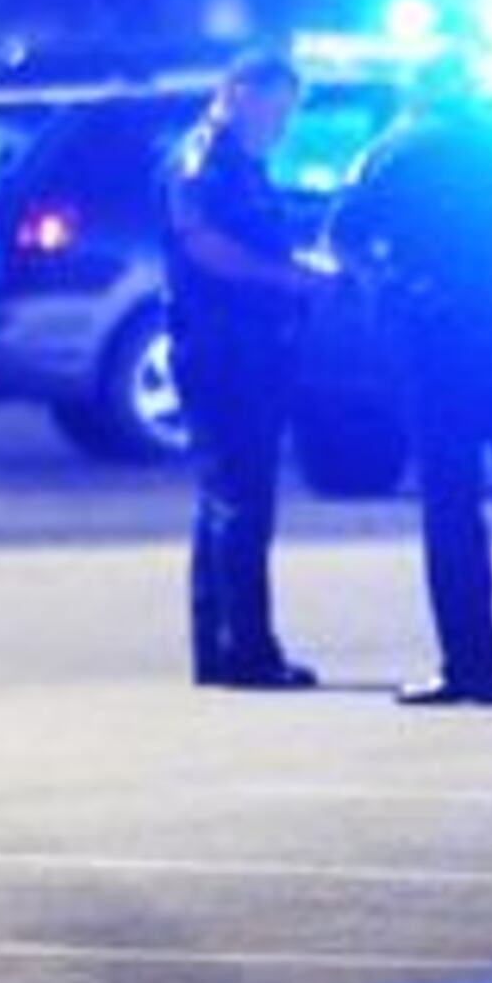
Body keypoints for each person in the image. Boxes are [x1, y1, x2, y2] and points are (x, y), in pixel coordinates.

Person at [332, 57, 492, 706]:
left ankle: (473, 666)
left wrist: (393, 287)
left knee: (452, 507)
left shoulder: (392, 150)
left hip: (437, 343)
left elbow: (345, 238)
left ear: (418, 90)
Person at [163, 49, 334, 690]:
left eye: (287, 113)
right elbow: (204, 246)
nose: (280, 125)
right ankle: (247, 652)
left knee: (227, 497)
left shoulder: (242, 163)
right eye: (273, 108)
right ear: (235, 93)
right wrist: (288, 279)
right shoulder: (204, 160)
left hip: (244, 345)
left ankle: (223, 649)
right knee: (241, 499)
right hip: (223, 349)